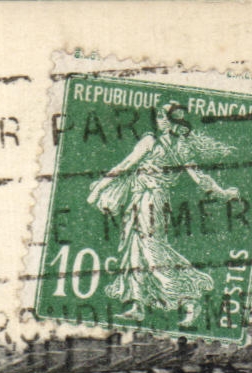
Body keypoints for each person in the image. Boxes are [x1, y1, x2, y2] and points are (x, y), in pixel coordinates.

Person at [87, 101, 239, 326]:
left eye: (164, 116)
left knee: (152, 249)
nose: (160, 120)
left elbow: (126, 165)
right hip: (142, 199)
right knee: (135, 248)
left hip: (152, 200)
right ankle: (137, 305)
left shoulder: (160, 143)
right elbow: (200, 178)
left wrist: (99, 188)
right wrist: (222, 193)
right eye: (158, 116)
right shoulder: (175, 145)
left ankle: (189, 300)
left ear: (172, 121)